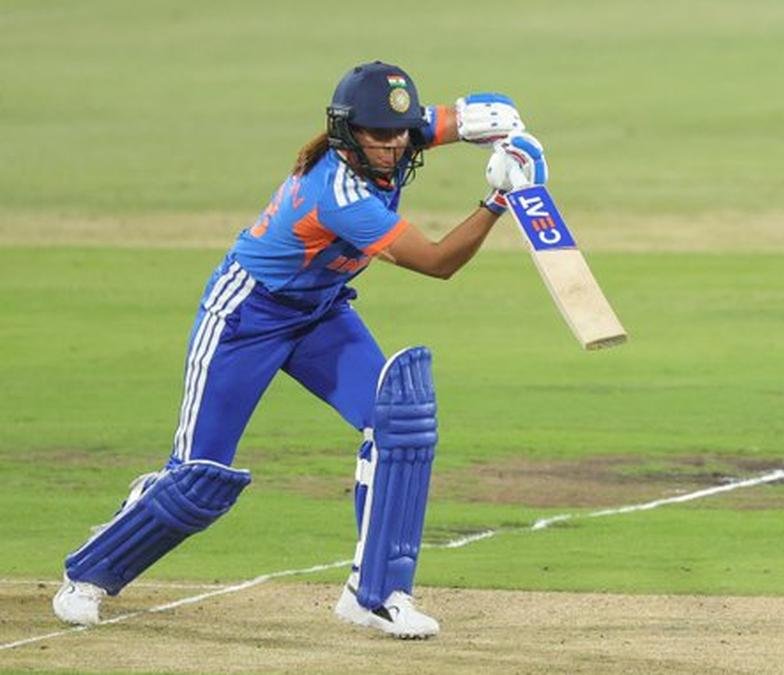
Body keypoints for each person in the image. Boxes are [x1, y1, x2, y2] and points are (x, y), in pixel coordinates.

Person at [51, 60, 547, 639]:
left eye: (401, 132)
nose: (393, 145)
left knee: (399, 425)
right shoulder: (337, 194)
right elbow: (438, 263)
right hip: (245, 316)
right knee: (198, 480)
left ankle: (377, 596)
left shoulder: (390, 136)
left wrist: (499, 128)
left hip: (320, 313)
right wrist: (500, 198)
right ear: (347, 133)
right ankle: (88, 574)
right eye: (379, 135)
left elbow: (465, 117)